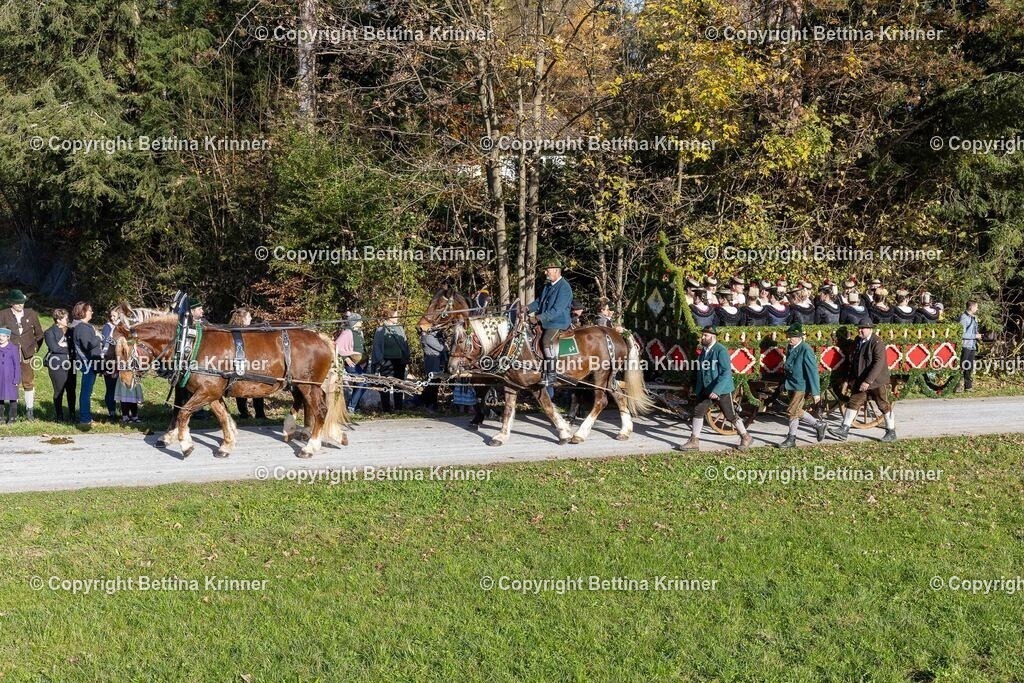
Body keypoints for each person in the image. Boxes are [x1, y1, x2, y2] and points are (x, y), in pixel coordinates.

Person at [675, 326, 752, 452]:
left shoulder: (720, 350)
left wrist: (717, 390)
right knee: (698, 411)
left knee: (730, 416)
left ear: (713, 336)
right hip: (706, 389)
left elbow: (726, 372)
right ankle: (694, 441)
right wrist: (692, 385)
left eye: (706, 335)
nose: (703, 338)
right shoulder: (704, 351)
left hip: (721, 390)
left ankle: (746, 436)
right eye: (702, 335)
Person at [829, 320, 896, 442]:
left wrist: (868, 381)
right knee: (853, 402)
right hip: (860, 380)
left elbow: (878, 364)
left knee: (883, 405)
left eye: (863, 328)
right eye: (859, 328)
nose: (860, 330)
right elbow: (852, 359)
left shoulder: (877, 343)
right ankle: (844, 430)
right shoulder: (857, 341)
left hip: (876, 381)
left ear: (870, 329)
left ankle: (891, 432)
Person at [776, 323, 827, 447]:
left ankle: (791, 439)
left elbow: (812, 371)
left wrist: (816, 392)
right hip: (791, 383)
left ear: (799, 337)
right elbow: (789, 367)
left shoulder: (806, 349)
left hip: (801, 386)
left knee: (792, 411)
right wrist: (784, 382)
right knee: (797, 410)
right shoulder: (791, 347)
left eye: (791, 337)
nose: (789, 339)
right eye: (788, 336)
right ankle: (818, 425)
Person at [0, 289, 45, 420]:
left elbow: (40, 334)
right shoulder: (3, 314)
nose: (21, 305)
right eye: (18, 303)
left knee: (28, 382)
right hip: (8, 353)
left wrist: (35, 348)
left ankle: (29, 410)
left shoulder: (31, 314)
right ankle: (13, 411)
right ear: (11, 303)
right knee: (11, 381)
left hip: (27, 354)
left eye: (22, 302)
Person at [527, 262, 573, 387]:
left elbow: (557, 310)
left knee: (547, 340)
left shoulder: (564, 287)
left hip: (558, 322)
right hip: (546, 321)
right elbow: (538, 303)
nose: (545, 272)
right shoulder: (547, 286)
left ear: (556, 270)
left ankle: (552, 375)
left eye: (548, 270)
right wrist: (526, 308)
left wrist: (538, 318)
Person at [229, 307, 267, 420]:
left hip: (251, 361)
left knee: (256, 387)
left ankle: (257, 413)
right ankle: (246, 413)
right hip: (243, 361)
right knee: (241, 387)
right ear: (243, 318)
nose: (251, 318)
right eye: (249, 316)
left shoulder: (250, 330)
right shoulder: (236, 331)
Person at [371, 310, 411, 412]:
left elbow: (404, 343)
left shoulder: (399, 328)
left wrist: (406, 356)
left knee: (399, 384)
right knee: (386, 385)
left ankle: (398, 408)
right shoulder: (381, 329)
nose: (397, 318)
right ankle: (386, 409)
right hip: (386, 360)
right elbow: (377, 346)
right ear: (389, 317)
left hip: (399, 360)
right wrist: (380, 361)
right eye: (395, 316)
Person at [69, 301, 101, 425]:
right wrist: (98, 337)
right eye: (90, 310)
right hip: (87, 363)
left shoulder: (83, 326)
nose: (92, 312)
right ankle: (85, 418)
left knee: (87, 391)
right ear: (83, 312)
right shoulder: (82, 327)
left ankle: (86, 417)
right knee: (86, 391)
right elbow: (89, 345)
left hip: (89, 363)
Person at [44, 308, 76, 422]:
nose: (68, 319)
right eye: (65, 318)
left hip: (72, 364)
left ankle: (72, 415)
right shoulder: (49, 332)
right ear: (58, 319)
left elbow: (75, 346)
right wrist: (70, 349)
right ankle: (59, 416)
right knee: (59, 391)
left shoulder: (72, 331)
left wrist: (66, 348)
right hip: (57, 364)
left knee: (71, 390)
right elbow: (54, 348)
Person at [336, 312, 367, 413]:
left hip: (359, 363)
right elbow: (336, 346)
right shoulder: (347, 333)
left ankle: (355, 406)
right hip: (351, 363)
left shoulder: (359, 332)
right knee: (361, 383)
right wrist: (345, 358)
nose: (362, 322)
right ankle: (351, 407)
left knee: (361, 384)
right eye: (360, 320)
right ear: (355, 322)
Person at [100, 307, 124, 421]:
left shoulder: (123, 327)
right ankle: (111, 412)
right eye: (111, 316)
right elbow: (104, 342)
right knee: (111, 388)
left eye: (115, 316)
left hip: (122, 361)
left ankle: (127, 413)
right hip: (110, 361)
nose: (112, 318)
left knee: (122, 388)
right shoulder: (107, 327)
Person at [114, 339, 143, 423]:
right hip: (123, 377)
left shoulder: (135, 351)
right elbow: (119, 364)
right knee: (124, 399)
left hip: (133, 377)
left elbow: (138, 362)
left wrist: (139, 371)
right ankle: (125, 416)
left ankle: (134, 416)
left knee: (133, 399)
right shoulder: (120, 353)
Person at [420, 327, 446, 412]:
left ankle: (434, 405)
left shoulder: (435, 337)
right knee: (431, 384)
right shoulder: (429, 337)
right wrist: (444, 343)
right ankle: (429, 405)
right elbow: (441, 348)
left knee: (435, 385)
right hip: (432, 362)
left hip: (436, 362)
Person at [0, 327, 22, 423]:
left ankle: (12, 417)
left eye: (3, 336)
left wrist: (16, 379)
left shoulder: (13, 348)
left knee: (13, 397)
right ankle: (1, 417)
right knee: (0, 397)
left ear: (8, 337)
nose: (1, 338)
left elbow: (17, 365)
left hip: (10, 377)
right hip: (0, 377)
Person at [960, 300, 982, 391]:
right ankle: (957, 385)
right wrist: (974, 336)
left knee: (969, 367)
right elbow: (961, 334)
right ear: (971, 307)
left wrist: (978, 336)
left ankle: (968, 387)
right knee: (962, 366)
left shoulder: (974, 318)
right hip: (965, 346)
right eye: (976, 307)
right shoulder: (964, 318)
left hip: (973, 345)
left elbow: (973, 330)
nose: (977, 308)